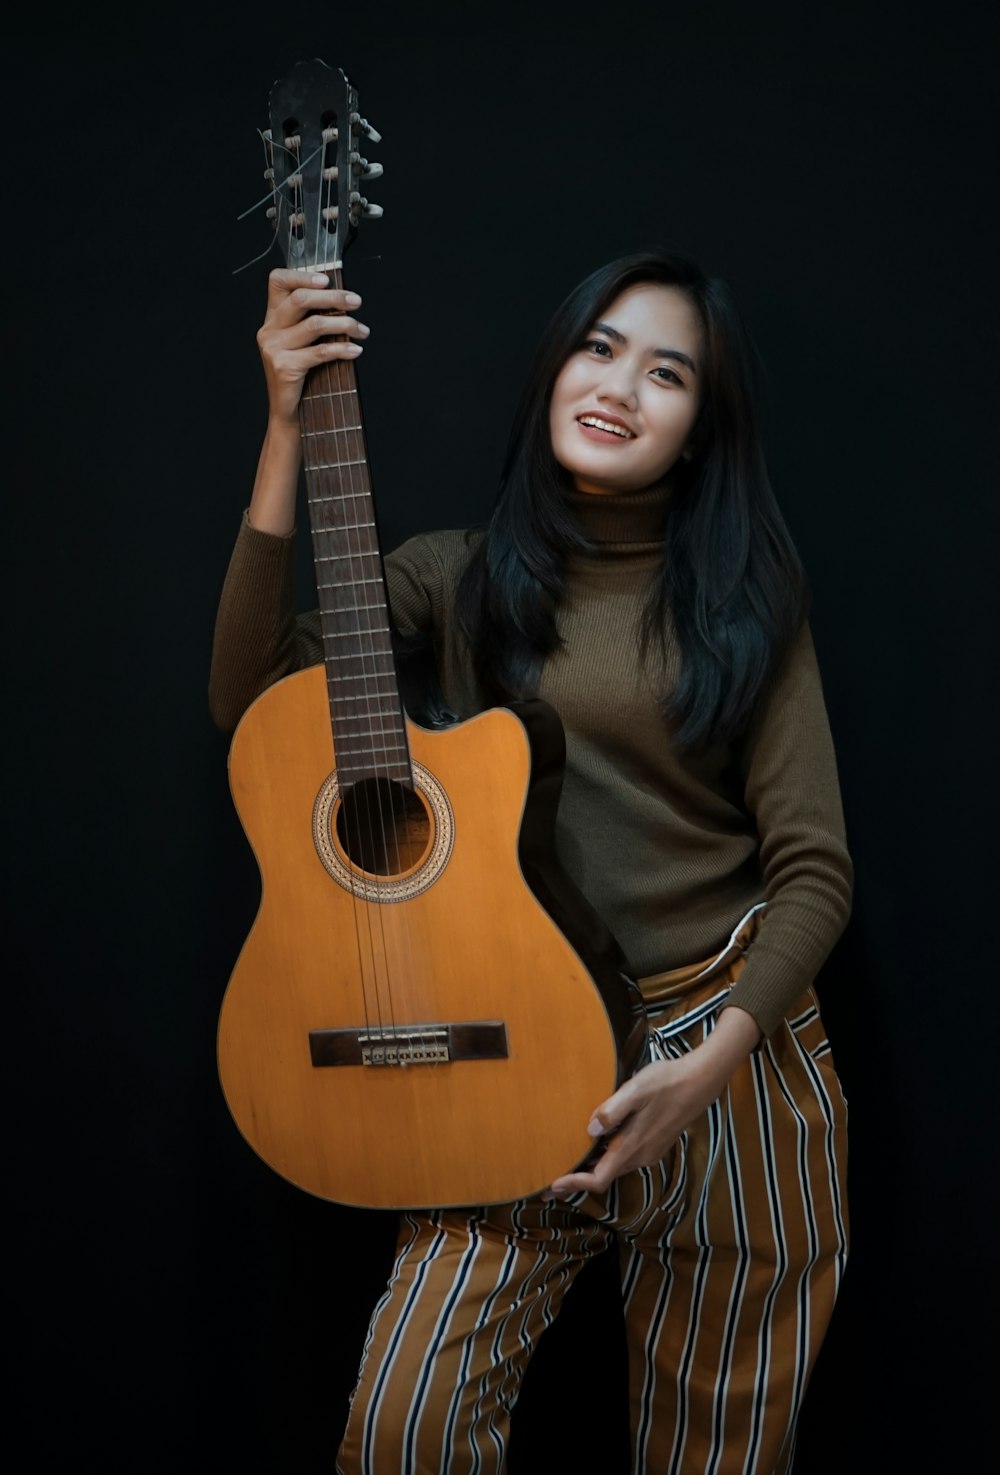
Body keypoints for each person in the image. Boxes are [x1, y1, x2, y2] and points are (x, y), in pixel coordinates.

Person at [209, 249, 852, 1475]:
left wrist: (702, 1069)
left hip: (728, 1053)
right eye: (599, 347)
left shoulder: (744, 599)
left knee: (716, 1452)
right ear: (555, 363)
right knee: (404, 1433)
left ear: (700, 428)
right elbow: (247, 706)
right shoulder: (448, 577)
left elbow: (814, 867)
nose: (619, 385)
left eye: (667, 373)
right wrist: (286, 430)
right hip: (508, 1046)